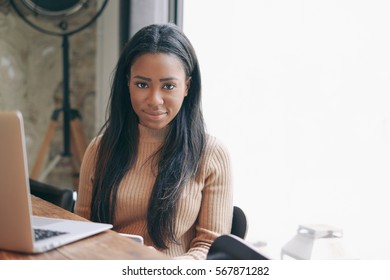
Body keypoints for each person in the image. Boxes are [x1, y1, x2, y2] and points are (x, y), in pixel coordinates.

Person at [75, 23, 233, 260]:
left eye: (168, 86)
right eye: (142, 84)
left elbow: (211, 246)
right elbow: (82, 229)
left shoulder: (211, 154)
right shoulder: (100, 149)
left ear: (187, 87)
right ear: (127, 83)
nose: (154, 100)